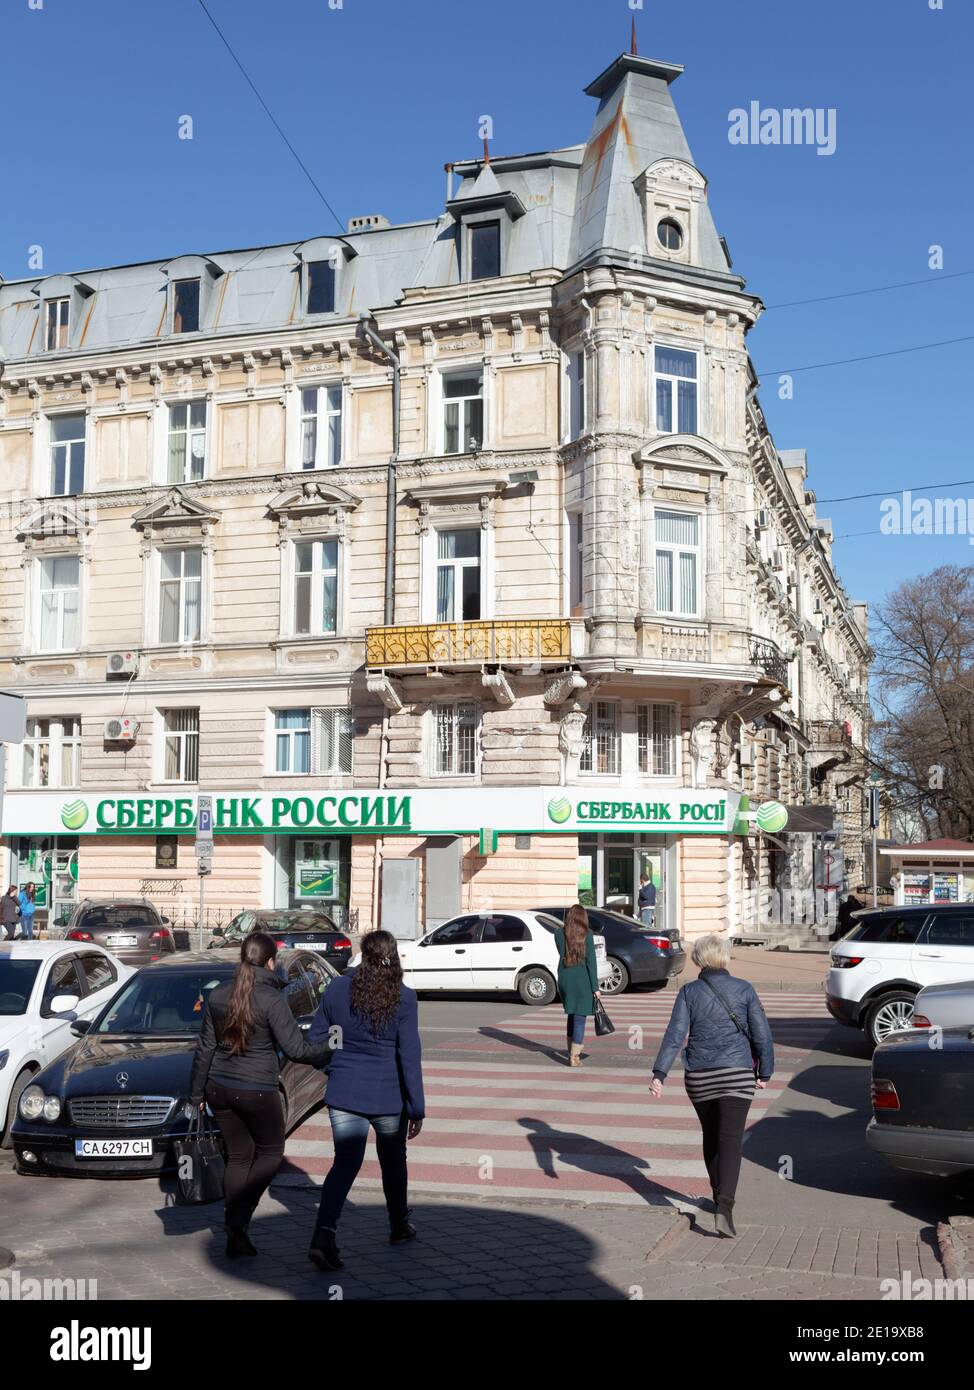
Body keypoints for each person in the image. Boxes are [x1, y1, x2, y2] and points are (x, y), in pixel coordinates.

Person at [188, 932, 333, 1259]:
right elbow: (296, 1050)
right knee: (270, 1153)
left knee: (239, 1156)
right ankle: (238, 1219)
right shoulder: (271, 999)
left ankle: (235, 1227)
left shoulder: (219, 995)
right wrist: (329, 1049)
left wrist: (196, 1093)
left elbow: (205, 1049)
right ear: (270, 962)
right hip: (255, 1089)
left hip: (218, 1088)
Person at [305, 929, 425, 1272]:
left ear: (362, 955)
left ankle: (323, 1235)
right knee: (392, 1162)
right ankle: (399, 1225)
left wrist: (336, 1069)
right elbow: (408, 1056)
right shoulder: (404, 998)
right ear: (395, 958)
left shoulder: (338, 988)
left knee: (344, 1164)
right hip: (388, 1097)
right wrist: (416, 1107)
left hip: (344, 1093)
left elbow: (318, 1041)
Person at [650, 932, 774, 1238]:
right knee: (731, 1140)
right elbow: (762, 1035)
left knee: (711, 1135)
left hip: (700, 1076)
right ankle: (725, 1207)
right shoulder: (744, 989)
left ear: (698, 960)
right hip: (737, 1073)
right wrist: (765, 1072)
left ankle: (717, 1193)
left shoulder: (690, 991)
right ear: (725, 957)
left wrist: (659, 1073)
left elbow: (675, 1034)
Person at [553, 903, 601, 1068]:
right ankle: (574, 1056)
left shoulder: (559, 934)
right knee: (580, 1018)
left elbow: (561, 950)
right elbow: (591, 963)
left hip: (565, 979)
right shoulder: (587, 935)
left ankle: (570, 1051)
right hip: (582, 981)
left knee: (571, 1015)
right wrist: (595, 987)